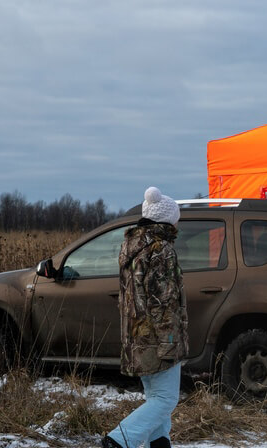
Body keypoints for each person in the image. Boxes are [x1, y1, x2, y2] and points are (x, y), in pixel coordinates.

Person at [103, 187, 188, 448]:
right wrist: (169, 342)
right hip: (158, 339)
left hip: (137, 337)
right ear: (167, 220)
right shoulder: (161, 250)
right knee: (165, 400)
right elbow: (164, 304)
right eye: (176, 218)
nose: (178, 223)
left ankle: (159, 444)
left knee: (156, 398)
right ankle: (119, 440)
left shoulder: (133, 247)